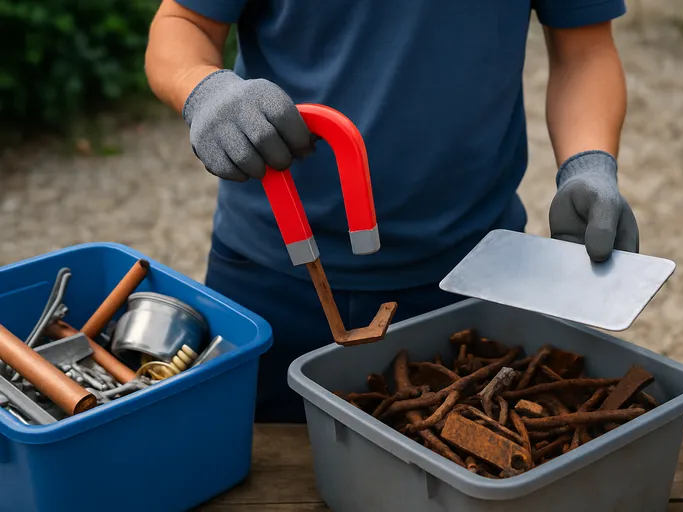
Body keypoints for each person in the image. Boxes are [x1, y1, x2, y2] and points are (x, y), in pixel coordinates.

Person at [144, 0, 639, 423]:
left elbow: (585, 50)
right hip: (271, 277)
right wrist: (204, 89)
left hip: (471, 276)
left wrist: (588, 165)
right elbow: (184, 24)